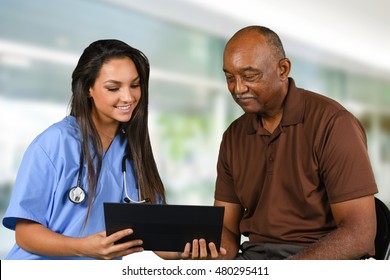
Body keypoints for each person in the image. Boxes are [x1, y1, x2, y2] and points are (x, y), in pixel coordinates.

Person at [2, 39, 219, 260]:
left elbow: (157, 236)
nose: (128, 97)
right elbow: (25, 234)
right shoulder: (54, 143)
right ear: (88, 89)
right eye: (113, 88)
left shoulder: (134, 151)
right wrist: (82, 247)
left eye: (134, 85)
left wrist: (186, 249)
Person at [213, 25, 378, 260]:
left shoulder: (333, 123)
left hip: (324, 262)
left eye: (249, 76)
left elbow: (360, 233)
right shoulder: (234, 135)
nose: (238, 88)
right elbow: (226, 228)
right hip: (256, 260)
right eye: (230, 78)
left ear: (283, 69)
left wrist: (289, 271)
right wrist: (212, 257)